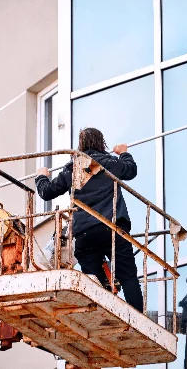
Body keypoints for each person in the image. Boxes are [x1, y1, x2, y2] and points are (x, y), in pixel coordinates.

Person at [35, 127, 143, 313]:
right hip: (113, 228)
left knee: (92, 279)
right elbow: (130, 171)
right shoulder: (109, 163)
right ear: (101, 144)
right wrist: (124, 153)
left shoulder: (72, 169)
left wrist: (41, 176)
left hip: (84, 232)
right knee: (128, 276)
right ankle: (139, 318)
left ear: (81, 145)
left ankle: (100, 310)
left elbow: (46, 192)